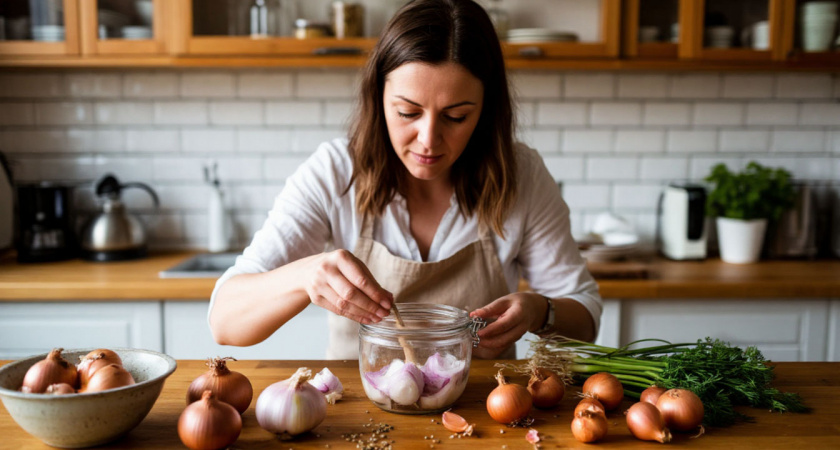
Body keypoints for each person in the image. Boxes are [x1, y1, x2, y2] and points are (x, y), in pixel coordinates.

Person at [208, 0, 601, 360]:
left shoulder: (522, 175)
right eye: (408, 112)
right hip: (355, 419)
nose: (429, 140)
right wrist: (304, 276)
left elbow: (585, 319)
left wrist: (540, 310)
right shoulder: (334, 172)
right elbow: (224, 321)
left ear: (485, 110)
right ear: (379, 98)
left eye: (456, 116)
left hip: (481, 419)